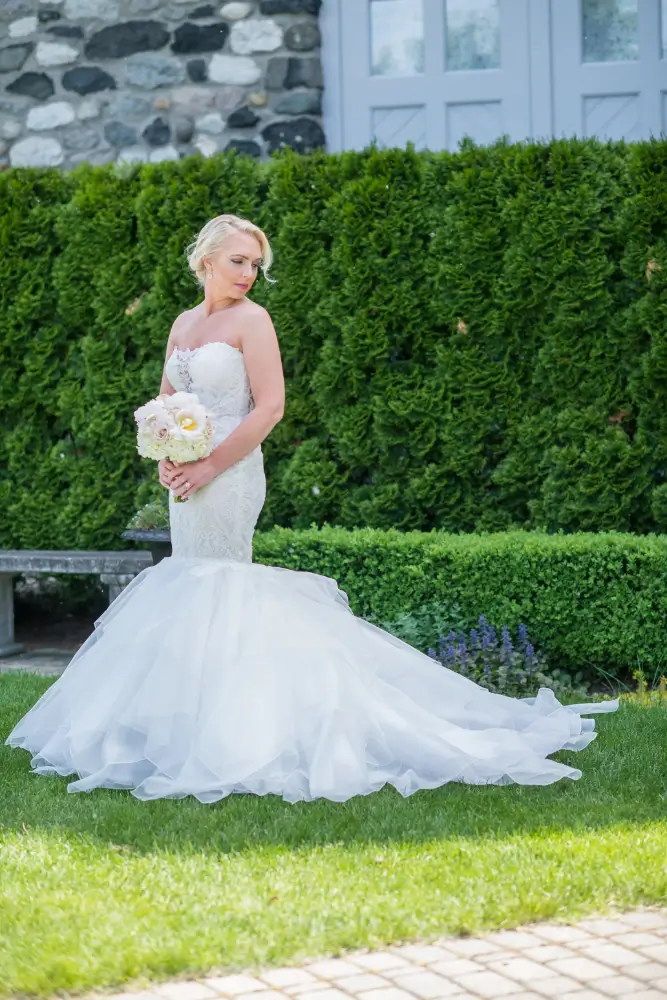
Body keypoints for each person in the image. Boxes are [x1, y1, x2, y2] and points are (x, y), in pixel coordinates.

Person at [6, 215, 618, 802]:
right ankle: (186, 730)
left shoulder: (254, 320)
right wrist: (165, 455)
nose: (248, 272)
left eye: (256, 264)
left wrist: (210, 463)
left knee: (221, 583)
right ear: (206, 261)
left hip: (231, 469)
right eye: (239, 261)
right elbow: (168, 400)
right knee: (190, 584)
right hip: (185, 475)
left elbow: (268, 408)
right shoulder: (182, 324)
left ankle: (236, 735)